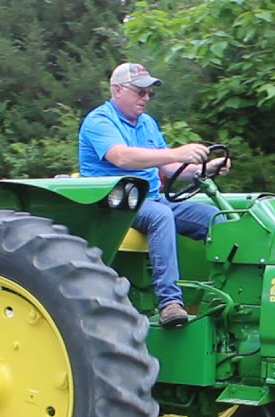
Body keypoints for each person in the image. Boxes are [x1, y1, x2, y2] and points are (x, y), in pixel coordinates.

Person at [78, 62, 230, 328]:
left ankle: (225, 294)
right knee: (160, 217)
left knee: (216, 218)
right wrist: (177, 152)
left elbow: (170, 169)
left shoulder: (147, 123)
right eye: (140, 92)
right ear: (117, 91)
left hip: (154, 198)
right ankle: (170, 303)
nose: (146, 98)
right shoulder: (99, 121)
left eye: (149, 93)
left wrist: (206, 168)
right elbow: (121, 157)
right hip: (116, 204)